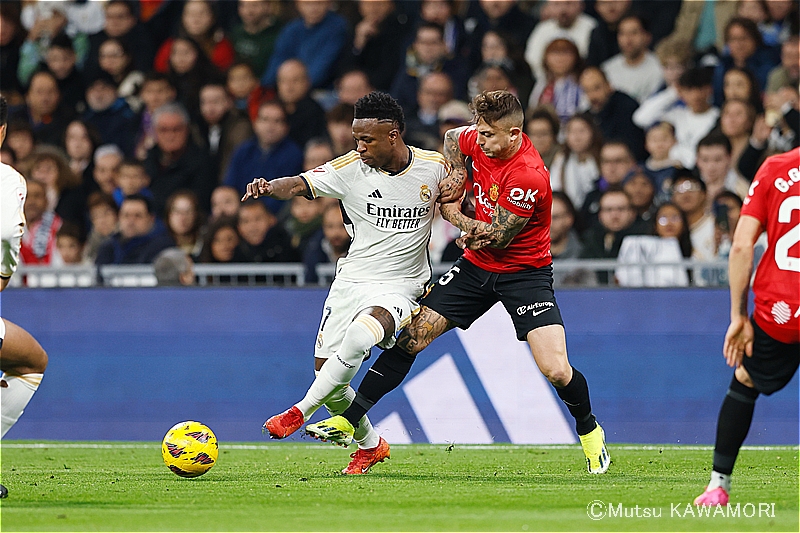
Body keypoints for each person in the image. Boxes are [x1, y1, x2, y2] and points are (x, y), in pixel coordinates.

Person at [305, 90, 610, 475]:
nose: (479, 140)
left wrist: (452, 211)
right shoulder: (474, 139)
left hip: (524, 273)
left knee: (555, 369)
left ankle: (588, 429)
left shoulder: (527, 174)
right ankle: (350, 418)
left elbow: (497, 234)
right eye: (479, 132)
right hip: (475, 266)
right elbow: (452, 139)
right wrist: (459, 173)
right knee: (412, 336)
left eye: (488, 135)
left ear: (514, 134)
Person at [243, 92, 453, 475]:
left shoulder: (432, 167)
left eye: (367, 139)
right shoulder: (349, 168)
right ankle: (371, 446)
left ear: (393, 134)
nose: (359, 147)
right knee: (330, 376)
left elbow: (458, 198)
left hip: (402, 285)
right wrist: (268, 186)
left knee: (360, 336)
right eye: (356, 138)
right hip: (352, 280)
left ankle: (298, 411)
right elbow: (299, 184)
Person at [694, 147, 800, 507]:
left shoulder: (776, 168)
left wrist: (739, 315)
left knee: (746, 379)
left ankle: (718, 486)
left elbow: (741, 246)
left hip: (782, 308)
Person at [0, 94, 49, 499]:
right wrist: (2, 271)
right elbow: (3, 233)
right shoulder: (7, 179)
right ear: (2, 132)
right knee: (31, 361)